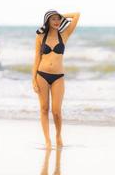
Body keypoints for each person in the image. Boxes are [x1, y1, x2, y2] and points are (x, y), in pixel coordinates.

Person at [32, 9, 80, 149]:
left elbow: (76, 15)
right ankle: (47, 140)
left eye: (58, 19)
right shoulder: (40, 37)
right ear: (47, 21)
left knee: (56, 111)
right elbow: (36, 58)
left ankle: (58, 135)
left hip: (58, 77)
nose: (56, 22)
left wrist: (59, 16)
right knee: (44, 108)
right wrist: (33, 79)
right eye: (53, 19)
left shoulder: (64, 34)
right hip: (42, 74)